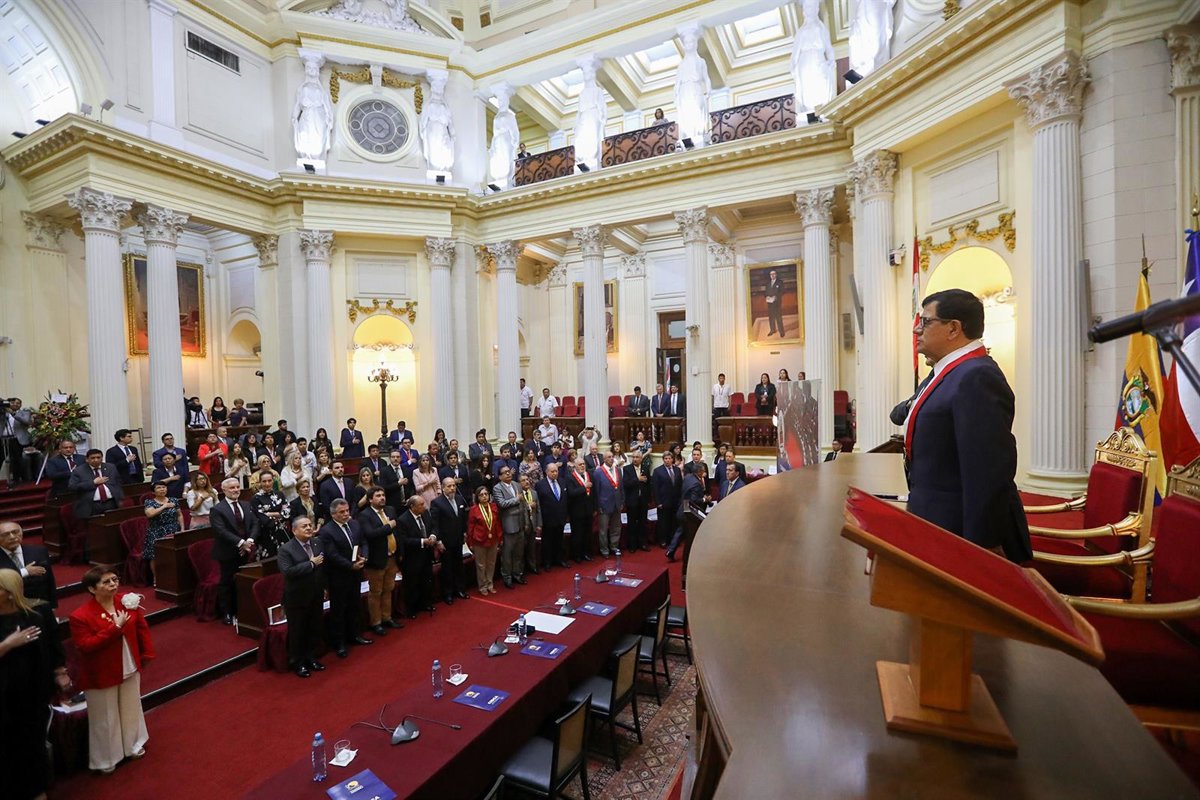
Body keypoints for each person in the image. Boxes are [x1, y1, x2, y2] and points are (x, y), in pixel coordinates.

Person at [906, 289, 1032, 562]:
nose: (917, 329)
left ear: (954, 328)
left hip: (959, 531)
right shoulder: (950, 372)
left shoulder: (976, 376)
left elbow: (988, 471)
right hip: (937, 520)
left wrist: (981, 547)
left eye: (925, 321)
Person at [69, 566, 154, 773]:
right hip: (101, 671)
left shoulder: (126, 601)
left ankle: (133, 745)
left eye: (115, 579)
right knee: (105, 716)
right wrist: (114, 628)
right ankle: (107, 759)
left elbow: (141, 628)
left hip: (129, 663)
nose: (113, 584)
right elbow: (85, 646)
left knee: (131, 707)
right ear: (92, 589)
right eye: (106, 582)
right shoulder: (80, 616)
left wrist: (146, 654)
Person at [0, 567, 69, 799]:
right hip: (3, 697)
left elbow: (47, 652)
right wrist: (7, 645)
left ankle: (36, 790)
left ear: (10, 592)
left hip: (30, 695)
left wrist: (57, 675)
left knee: (32, 745)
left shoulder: (34, 616)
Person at [318, 499, 371, 657]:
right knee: (339, 610)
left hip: (356, 572)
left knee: (354, 605)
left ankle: (354, 635)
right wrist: (350, 565)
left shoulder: (354, 524)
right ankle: (339, 643)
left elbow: (363, 542)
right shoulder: (327, 531)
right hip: (338, 576)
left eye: (347, 510)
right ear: (333, 514)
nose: (346, 514)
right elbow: (332, 555)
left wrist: (364, 557)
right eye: (342, 512)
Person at [276, 516, 326, 678]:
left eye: (310, 525)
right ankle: (298, 663)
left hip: (316, 594)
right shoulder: (286, 549)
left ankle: (311, 657)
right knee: (298, 631)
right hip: (297, 597)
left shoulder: (317, 542)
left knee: (314, 627)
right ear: (294, 530)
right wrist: (311, 564)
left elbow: (322, 568)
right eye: (304, 526)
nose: (309, 528)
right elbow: (288, 572)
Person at [210, 478, 259, 625]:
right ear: (224, 490)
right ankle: (227, 612)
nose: (236, 490)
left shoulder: (246, 504)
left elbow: (255, 523)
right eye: (232, 488)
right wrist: (241, 543)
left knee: (244, 580)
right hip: (227, 552)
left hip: (247, 550)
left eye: (237, 487)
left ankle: (243, 609)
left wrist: (249, 540)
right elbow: (221, 531)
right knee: (227, 582)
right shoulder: (217, 509)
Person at [359, 487, 402, 635]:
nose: (382, 498)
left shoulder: (390, 510)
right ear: (370, 499)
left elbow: (397, 532)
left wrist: (400, 552)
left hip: (392, 556)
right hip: (377, 559)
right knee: (376, 592)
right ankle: (376, 622)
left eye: (383, 495)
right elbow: (370, 534)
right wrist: (388, 526)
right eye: (378, 496)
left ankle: (386, 617)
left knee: (388, 589)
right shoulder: (365, 515)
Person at [398, 495, 440, 616]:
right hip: (412, 557)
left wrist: (433, 536)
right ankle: (412, 609)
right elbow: (404, 540)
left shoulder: (425, 513)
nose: (424, 507)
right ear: (412, 506)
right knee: (412, 583)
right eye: (421, 505)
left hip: (426, 554)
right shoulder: (403, 520)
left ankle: (425, 603)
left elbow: (433, 527)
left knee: (426, 580)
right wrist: (422, 541)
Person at [430, 476, 470, 603]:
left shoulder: (459, 499)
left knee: (459, 566)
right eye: (449, 486)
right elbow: (435, 524)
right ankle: (448, 594)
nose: (452, 488)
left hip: (458, 539)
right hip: (445, 541)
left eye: (454, 485)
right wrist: (438, 541)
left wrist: (464, 533)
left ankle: (460, 589)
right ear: (443, 488)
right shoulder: (437, 502)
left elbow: (462, 518)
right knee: (447, 568)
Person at [0, 521, 56, 607]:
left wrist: (53, 605)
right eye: (5, 534)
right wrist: (24, 572)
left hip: (39, 603)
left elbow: (49, 580)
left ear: (21, 533)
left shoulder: (39, 551)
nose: (12, 537)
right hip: (9, 606)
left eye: (15, 532)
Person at [668, 462, 708, 561]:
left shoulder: (688, 477)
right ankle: (688, 554)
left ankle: (671, 551)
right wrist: (704, 499)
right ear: (699, 472)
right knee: (689, 534)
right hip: (689, 512)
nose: (704, 473)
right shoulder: (697, 484)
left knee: (680, 531)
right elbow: (694, 500)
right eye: (703, 471)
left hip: (683, 507)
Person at [493, 465, 525, 588]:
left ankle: (517, 574)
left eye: (509, 471)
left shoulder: (517, 485)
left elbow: (522, 503)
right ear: (500, 476)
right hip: (508, 524)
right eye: (505, 472)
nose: (508, 474)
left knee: (518, 553)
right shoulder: (497, 488)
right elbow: (502, 503)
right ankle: (507, 577)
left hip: (520, 523)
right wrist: (516, 499)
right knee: (507, 554)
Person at [71, 448, 125, 518]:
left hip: (111, 503)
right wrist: (93, 482)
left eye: (98, 457)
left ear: (102, 458)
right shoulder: (78, 471)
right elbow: (72, 486)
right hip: (91, 505)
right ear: (87, 459)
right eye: (92, 458)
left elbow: (118, 482)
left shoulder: (111, 467)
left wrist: (120, 498)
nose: (96, 460)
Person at [143, 481, 180, 582]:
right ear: (153, 491)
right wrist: (164, 506)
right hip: (156, 532)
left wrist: (182, 528)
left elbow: (179, 515)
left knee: (173, 554)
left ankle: (173, 576)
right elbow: (150, 514)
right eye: (159, 488)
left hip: (173, 530)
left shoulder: (174, 500)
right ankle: (157, 578)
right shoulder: (149, 502)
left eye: (164, 487)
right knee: (154, 556)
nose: (162, 489)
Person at [534, 462, 569, 569]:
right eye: (552, 471)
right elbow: (539, 503)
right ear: (546, 472)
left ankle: (559, 559)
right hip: (548, 518)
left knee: (560, 540)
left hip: (561, 517)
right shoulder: (540, 485)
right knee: (547, 541)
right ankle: (547, 562)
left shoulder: (562, 482)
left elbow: (565, 499)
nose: (555, 473)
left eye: (556, 471)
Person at [467, 487, 501, 595]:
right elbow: (470, 527)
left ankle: (490, 584)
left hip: (493, 539)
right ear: (477, 497)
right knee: (481, 565)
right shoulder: (474, 509)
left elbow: (497, 524)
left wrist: (500, 538)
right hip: (479, 540)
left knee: (491, 563)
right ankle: (482, 586)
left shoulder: (493, 507)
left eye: (486, 494)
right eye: (481, 495)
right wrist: (470, 542)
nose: (484, 496)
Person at [251, 471, 291, 557]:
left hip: (282, 531)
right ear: (260, 482)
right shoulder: (256, 498)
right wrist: (280, 514)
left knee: (286, 556)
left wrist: (273, 514)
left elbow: (288, 512)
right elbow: (262, 517)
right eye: (264, 481)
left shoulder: (280, 494)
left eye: (269, 480)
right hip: (267, 533)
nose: (267, 483)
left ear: (273, 481)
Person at [593, 451, 624, 557]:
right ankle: (604, 550)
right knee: (603, 530)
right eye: (609, 457)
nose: (611, 458)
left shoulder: (618, 470)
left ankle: (614, 546)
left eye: (612, 456)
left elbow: (621, 487)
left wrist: (622, 501)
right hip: (604, 505)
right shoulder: (598, 472)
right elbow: (596, 491)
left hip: (617, 504)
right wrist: (598, 506)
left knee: (616, 527)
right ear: (604, 459)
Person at [564, 457, 594, 563]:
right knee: (577, 534)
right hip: (576, 511)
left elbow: (594, 492)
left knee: (587, 533)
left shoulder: (589, 475)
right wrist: (584, 487)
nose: (582, 466)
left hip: (588, 510)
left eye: (583, 464)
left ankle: (586, 553)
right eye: (580, 464)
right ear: (575, 466)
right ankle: (577, 555)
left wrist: (594, 507)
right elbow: (571, 493)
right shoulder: (570, 478)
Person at [622, 450, 652, 551]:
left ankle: (642, 543)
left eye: (637, 457)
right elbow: (626, 484)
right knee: (632, 523)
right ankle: (632, 545)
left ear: (641, 459)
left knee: (643, 522)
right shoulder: (627, 469)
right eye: (633, 457)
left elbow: (648, 484)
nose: (635, 459)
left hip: (643, 501)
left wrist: (648, 499)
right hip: (632, 501)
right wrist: (637, 479)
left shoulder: (645, 468)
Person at [652, 451, 682, 550]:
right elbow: (655, 488)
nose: (667, 460)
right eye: (666, 459)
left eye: (669, 458)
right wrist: (658, 502)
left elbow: (680, 486)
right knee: (663, 522)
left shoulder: (677, 470)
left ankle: (672, 540)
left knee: (674, 521)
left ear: (672, 459)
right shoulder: (657, 471)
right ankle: (663, 540)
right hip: (663, 502)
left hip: (675, 501)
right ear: (663, 460)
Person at [518, 474, 542, 577]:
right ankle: (521, 570)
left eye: (527, 479)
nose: (526, 482)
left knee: (532, 548)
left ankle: (533, 566)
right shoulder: (518, 495)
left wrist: (539, 524)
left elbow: (538, 510)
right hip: (523, 525)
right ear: (519, 483)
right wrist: (529, 506)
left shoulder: (534, 493)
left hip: (533, 524)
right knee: (521, 549)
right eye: (523, 480)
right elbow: (520, 509)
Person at [712, 373, 732, 437]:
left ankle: (726, 434)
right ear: (718, 379)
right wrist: (712, 405)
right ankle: (716, 435)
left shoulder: (728, 386)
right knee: (716, 421)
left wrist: (730, 405)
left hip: (725, 406)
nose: (721, 379)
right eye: (720, 378)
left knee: (726, 421)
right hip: (717, 406)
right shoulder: (715, 386)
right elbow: (713, 396)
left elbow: (730, 396)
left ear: (724, 379)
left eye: (723, 378)